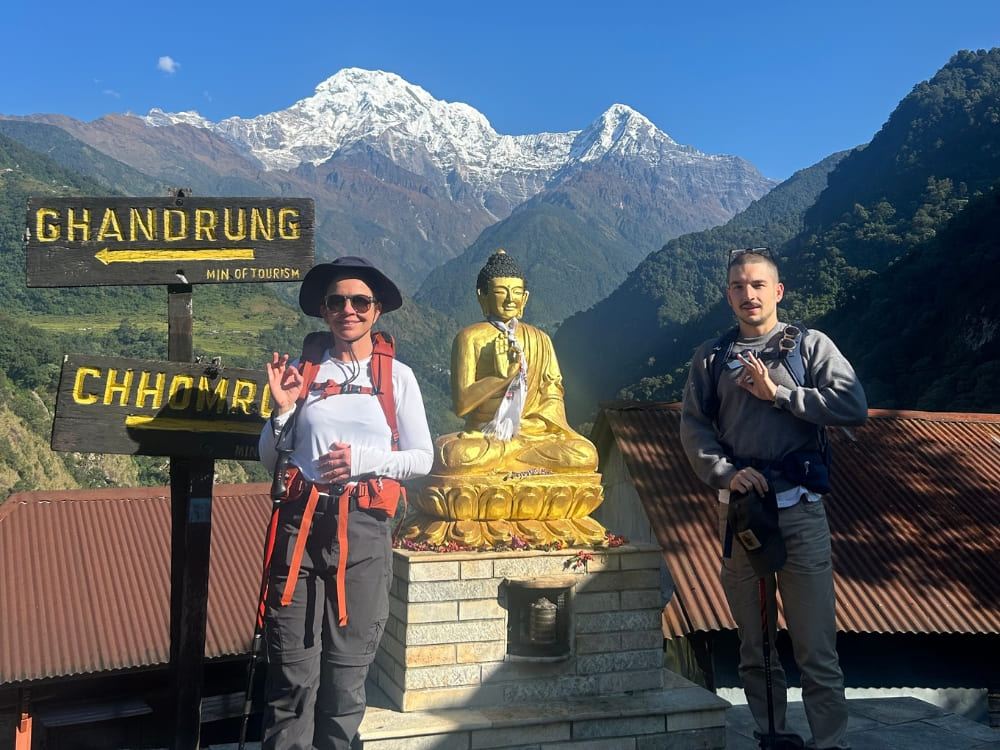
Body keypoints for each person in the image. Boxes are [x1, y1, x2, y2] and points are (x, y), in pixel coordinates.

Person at [679, 247, 867, 750]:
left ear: (778, 291)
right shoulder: (712, 356)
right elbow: (695, 427)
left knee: (815, 646)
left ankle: (830, 742)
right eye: (738, 286)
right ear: (728, 295)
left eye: (758, 285)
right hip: (744, 516)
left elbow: (852, 405)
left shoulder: (809, 346)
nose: (749, 295)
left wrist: (780, 395)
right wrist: (725, 473)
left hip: (801, 512)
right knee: (754, 647)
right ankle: (772, 736)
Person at [258, 256, 433, 750]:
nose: (348, 311)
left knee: (346, 679)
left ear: (376, 312)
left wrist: (363, 459)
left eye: (360, 302)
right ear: (324, 310)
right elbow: (268, 456)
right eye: (337, 302)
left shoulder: (398, 378)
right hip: (301, 528)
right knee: (291, 675)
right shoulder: (302, 373)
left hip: (364, 530)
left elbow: (421, 458)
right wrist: (284, 410)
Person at [434, 249, 597, 475]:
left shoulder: (540, 339)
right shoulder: (469, 338)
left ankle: (513, 459)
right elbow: (462, 405)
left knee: (585, 455)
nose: (511, 299)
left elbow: (552, 396)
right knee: (453, 456)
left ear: (525, 298)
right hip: (486, 435)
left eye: (517, 292)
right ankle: (521, 464)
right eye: (501, 291)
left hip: (532, 436)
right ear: (483, 296)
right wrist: (500, 378)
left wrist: (532, 427)